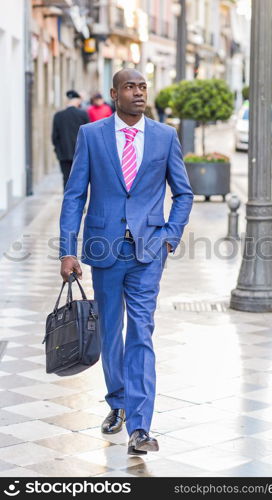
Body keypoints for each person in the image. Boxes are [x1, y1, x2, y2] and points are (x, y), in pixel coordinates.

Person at [59, 69, 193, 455]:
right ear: (114, 93)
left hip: (149, 251)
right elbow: (74, 196)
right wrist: (68, 250)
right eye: (130, 87)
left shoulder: (166, 136)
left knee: (141, 331)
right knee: (109, 330)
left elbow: (183, 193)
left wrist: (170, 236)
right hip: (104, 247)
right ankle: (117, 400)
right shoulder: (92, 135)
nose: (138, 93)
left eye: (143, 87)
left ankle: (139, 425)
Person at [52, 90, 89, 190]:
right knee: (80, 179)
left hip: (63, 154)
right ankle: (80, 205)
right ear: (77, 101)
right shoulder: (83, 114)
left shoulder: (58, 116)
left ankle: (67, 204)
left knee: (66, 179)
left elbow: (55, 137)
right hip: (80, 153)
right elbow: (88, 135)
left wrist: (58, 151)